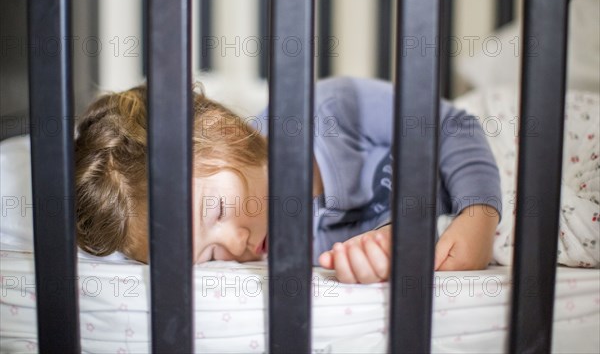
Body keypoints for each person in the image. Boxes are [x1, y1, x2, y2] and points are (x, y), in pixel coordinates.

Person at [75, 77, 501, 284]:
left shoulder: (332, 110)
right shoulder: (289, 255)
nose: (236, 243)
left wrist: (479, 216)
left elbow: (451, 125)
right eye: (209, 256)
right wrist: (380, 256)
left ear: (225, 132)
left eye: (219, 211)